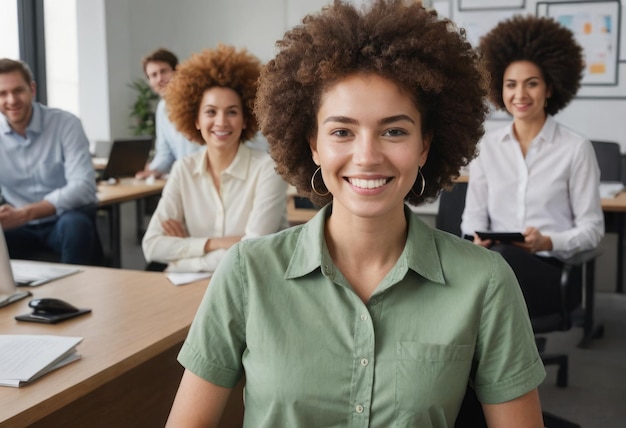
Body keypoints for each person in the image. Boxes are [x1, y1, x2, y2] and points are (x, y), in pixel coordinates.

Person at [166, 1, 546, 427]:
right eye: (342, 131)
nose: (366, 156)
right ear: (313, 144)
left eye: (394, 131)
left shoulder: (485, 282)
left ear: (425, 145)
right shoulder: (246, 273)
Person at [461, 15, 604, 318]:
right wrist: (477, 237)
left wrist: (547, 241)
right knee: (493, 264)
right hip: (494, 264)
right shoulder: (487, 148)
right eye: (510, 84)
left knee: (493, 274)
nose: (520, 94)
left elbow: (592, 230)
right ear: (499, 89)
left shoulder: (575, 148)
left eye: (532, 84)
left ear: (550, 89)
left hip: (549, 269)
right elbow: (470, 217)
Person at [141, 45, 289, 273]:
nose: (221, 122)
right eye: (210, 112)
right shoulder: (183, 170)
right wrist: (213, 243)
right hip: (190, 291)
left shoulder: (268, 169)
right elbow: (152, 246)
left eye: (232, 112)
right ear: (196, 120)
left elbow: (251, 252)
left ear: (246, 119)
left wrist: (182, 260)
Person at [0, 58, 100, 265]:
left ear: (32, 89)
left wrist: (26, 213)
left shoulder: (65, 124)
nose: (11, 100)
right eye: (2, 94)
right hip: (17, 230)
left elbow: (83, 187)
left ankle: (74, 294)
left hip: (62, 221)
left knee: (75, 225)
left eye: (18, 90)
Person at [135, 48, 201, 179]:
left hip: (207, 174)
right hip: (186, 178)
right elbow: (165, 153)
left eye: (163, 71)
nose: (160, 79)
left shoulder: (198, 100)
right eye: (153, 75)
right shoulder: (161, 108)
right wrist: (152, 170)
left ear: (176, 71)